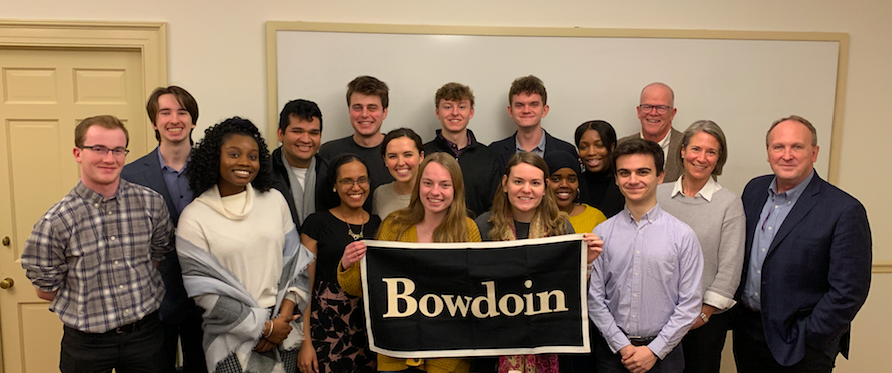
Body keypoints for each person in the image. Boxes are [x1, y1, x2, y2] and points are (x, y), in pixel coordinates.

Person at [22, 115, 173, 373]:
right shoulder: (56, 221)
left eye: (117, 150)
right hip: (86, 345)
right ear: (78, 153)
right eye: (98, 149)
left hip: (145, 337)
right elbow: (45, 289)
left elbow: (157, 255)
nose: (109, 158)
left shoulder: (151, 203)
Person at [733, 115, 871, 372]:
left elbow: (849, 291)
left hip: (801, 345)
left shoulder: (844, 210)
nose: (787, 155)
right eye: (779, 147)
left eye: (797, 147)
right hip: (749, 334)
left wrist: (810, 335)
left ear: (814, 152)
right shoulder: (753, 190)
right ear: (768, 153)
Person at [175, 117, 313, 373]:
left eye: (252, 156)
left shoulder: (274, 201)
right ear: (215, 157)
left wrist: (280, 321)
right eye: (234, 154)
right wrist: (262, 327)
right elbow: (203, 291)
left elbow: (296, 264)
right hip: (229, 334)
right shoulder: (194, 217)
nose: (244, 163)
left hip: (284, 329)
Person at [338, 153, 483, 373]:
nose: (435, 192)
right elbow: (363, 288)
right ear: (418, 186)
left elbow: (479, 294)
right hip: (396, 354)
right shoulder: (394, 225)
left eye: (445, 185)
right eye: (428, 183)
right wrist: (347, 265)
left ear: (456, 190)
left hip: (447, 358)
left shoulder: (467, 229)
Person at [476, 152, 603, 373]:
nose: (526, 189)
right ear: (505, 184)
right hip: (494, 345)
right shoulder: (483, 227)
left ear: (544, 188)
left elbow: (572, 294)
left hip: (550, 343)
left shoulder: (561, 228)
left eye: (535, 183)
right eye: (518, 181)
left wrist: (586, 264)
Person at [588, 138, 703, 373]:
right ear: (617, 179)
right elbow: (594, 299)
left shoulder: (682, 235)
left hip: (665, 355)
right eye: (624, 173)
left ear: (660, 176)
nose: (633, 180)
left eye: (643, 172)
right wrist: (623, 346)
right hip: (613, 355)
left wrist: (654, 350)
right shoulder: (602, 233)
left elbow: (690, 303)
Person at [121, 85, 207, 373]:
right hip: (153, 300)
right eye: (165, 112)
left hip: (207, 297)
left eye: (182, 112)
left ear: (193, 120)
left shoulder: (215, 170)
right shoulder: (130, 174)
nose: (174, 119)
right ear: (154, 122)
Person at [655, 121, 745, 373]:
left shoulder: (728, 203)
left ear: (719, 159)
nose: (701, 158)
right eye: (695, 149)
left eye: (711, 152)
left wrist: (703, 315)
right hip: (656, 318)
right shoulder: (658, 195)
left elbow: (730, 267)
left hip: (702, 323)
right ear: (682, 151)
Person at [298, 154, 380, 373]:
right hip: (326, 330)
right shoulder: (316, 223)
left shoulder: (378, 224)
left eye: (362, 180)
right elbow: (303, 286)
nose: (356, 187)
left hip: (368, 333)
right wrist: (305, 344)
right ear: (334, 185)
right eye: (347, 181)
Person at [318, 75, 395, 212]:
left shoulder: (399, 154)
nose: (364, 114)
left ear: (384, 112)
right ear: (349, 110)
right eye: (357, 107)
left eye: (372, 108)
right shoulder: (329, 153)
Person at [423, 82, 501, 217]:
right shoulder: (424, 154)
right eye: (447, 107)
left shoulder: (488, 157)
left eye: (461, 107)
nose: (455, 113)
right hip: (431, 234)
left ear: (471, 112)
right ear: (437, 112)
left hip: (476, 234)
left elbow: (495, 205)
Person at [489, 75, 576, 170]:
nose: (526, 110)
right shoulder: (494, 151)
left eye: (534, 104)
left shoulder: (566, 150)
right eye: (519, 105)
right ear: (510, 111)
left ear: (544, 110)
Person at [271, 98, 327, 230]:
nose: (306, 139)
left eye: (313, 133)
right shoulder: (263, 174)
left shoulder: (332, 174)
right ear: (280, 134)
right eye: (297, 131)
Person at [618, 83, 684, 182]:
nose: (653, 113)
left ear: (672, 114)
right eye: (647, 107)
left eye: (661, 108)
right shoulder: (619, 146)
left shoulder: (691, 147)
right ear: (638, 111)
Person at [544, 150, 607, 234]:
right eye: (556, 179)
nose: (564, 185)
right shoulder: (532, 216)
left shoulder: (596, 218)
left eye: (571, 179)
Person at [575, 120, 625, 218]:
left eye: (599, 145)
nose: (591, 152)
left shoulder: (626, 182)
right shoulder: (575, 184)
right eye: (584, 147)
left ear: (612, 147)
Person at [374, 128, 424, 219]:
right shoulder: (380, 194)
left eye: (408, 155)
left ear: (421, 157)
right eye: (393, 156)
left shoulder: (434, 193)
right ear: (385, 160)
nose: (400, 163)